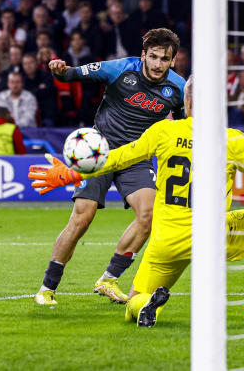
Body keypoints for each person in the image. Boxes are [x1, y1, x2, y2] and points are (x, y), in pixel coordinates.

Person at [29, 76, 244, 325]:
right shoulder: (231, 141)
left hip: (166, 240)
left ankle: (149, 306)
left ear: (186, 102)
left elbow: (117, 158)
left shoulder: (163, 132)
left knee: (135, 301)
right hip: (213, 235)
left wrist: (74, 174)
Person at [31, 28, 186, 306]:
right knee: (82, 218)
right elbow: (73, 73)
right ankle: (47, 287)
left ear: (173, 61)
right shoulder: (120, 68)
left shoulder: (177, 88)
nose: (157, 64)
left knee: (149, 215)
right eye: (152, 57)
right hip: (99, 152)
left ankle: (109, 278)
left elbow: (185, 125)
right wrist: (58, 69)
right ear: (143, 55)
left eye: (164, 59)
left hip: (136, 158)